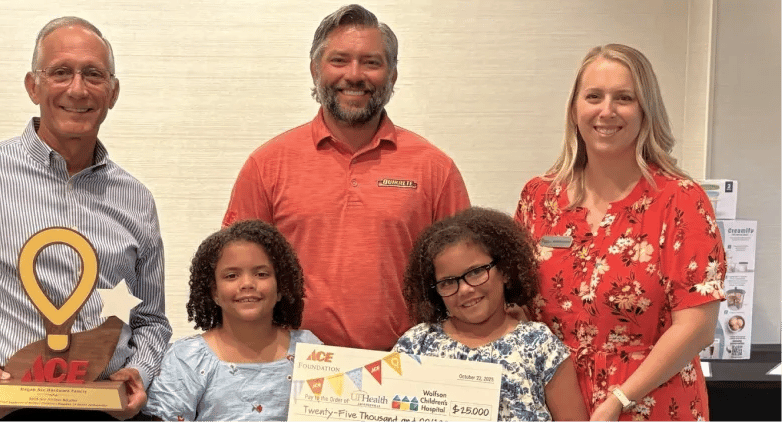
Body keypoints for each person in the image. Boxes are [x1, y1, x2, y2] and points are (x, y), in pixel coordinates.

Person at [0, 17, 171, 421]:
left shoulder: (136, 199)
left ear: (112, 93)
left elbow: (152, 320)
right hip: (3, 411)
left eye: (94, 75)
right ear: (34, 86)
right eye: (61, 72)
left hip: (103, 410)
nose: (77, 89)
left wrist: (140, 372)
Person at [222, 4, 470, 351]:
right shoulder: (266, 166)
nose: (354, 75)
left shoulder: (434, 169)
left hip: (403, 374)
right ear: (314, 70)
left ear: (393, 75)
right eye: (339, 60)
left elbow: (466, 283)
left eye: (371, 62)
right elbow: (234, 278)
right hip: (290, 372)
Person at [514, 44, 726, 421]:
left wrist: (618, 402)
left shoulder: (680, 200)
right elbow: (515, 301)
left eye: (623, 98)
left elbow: (697, 327)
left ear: (646, 110)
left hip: (651, 401)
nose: (606, 111)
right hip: (556, 402)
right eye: (593, 96)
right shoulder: (539, 197)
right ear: (575, 108)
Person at [393, 207, 588, 422]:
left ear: (504, 270)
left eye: (476, 272)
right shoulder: (416, 345)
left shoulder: (540, 345)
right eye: (448, 282)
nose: (465, 289)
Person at [144, 220, 322, 421]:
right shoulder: (187, 359)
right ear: (214, 292)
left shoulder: (310, 352)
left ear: (281, 287)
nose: (247, 284)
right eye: (231, 275)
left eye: (261, 274)